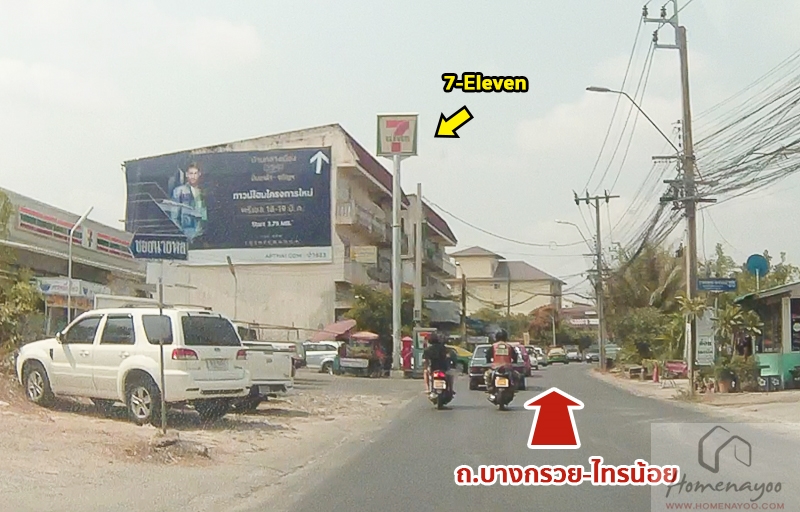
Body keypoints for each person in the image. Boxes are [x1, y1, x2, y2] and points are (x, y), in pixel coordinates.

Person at [170, 162, 208, 243]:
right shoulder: (179, 191)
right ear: (187, 174)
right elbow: (174, 217)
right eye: (191, 173)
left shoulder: (203, 192)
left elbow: (204, 215)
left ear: (199, 174)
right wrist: (182, 234)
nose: (193, 176)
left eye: (195, 173)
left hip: (201, 235)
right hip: (186, 234)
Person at [484, 329, 519, 399]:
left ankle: (490, 388)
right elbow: (515, 356)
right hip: (508, 368)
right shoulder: (509, 346)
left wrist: (489, 361)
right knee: (517, 376)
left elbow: (488, 355)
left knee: (487, 375)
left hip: (495, 368)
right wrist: (514, 362)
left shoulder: (493, 346)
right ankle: (513, 389)